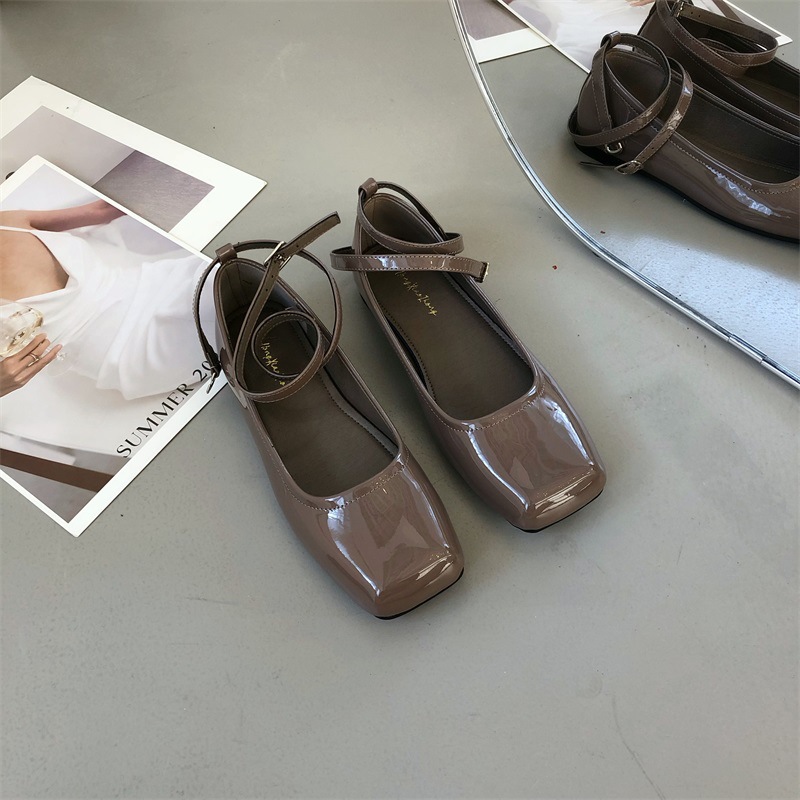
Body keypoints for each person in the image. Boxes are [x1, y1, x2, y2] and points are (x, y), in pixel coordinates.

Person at [0, 199, 212, 400]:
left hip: (154, 281)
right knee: (216, 290)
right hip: (124, 348)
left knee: (215, 271)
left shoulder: (6, 221)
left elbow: (101, 210)